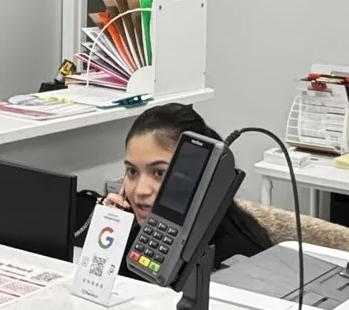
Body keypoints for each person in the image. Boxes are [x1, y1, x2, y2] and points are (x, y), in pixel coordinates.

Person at [103, 103, 272, 271]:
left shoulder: (238, 257)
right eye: (132, 171)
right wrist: (106, 231)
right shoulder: (133, 232)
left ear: (203, 177)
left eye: (160, 173)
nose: (140, 190)